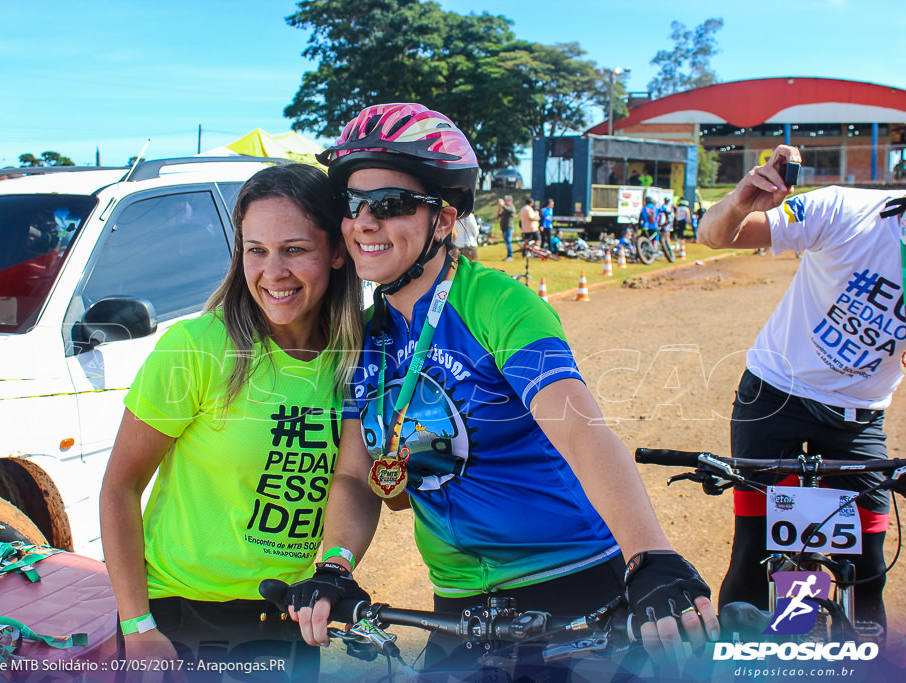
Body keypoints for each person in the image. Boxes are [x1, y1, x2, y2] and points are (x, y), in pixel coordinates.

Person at [283, 102, 718, 666]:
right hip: (459, 604)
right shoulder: (368, 337)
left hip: (573, 582)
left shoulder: (500, 305)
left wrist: (651, 555)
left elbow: (582, 433)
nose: (364, 222)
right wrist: (335, 566)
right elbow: (354, 475)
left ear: (442, 220)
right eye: (352, 204)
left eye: (389, 205)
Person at [99, 163, 362, 680]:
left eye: (294, 249)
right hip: (182, 618)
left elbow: (352, 481)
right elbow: (119, 487)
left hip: (289, 613)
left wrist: (335, 567)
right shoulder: (195, 348)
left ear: (335, 251)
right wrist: (137, 625)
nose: (273, 271)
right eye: (255, 250)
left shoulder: (354, 355)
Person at [697, 143, 904, 633]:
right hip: (773, 399)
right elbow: (714, 236)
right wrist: (739, 202)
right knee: (753, 548)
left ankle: (857, 662)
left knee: (869, 568)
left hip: (859, 419)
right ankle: (747, 657)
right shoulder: (847, 210)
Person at [496, 194, 515, 261]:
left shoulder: (511, 207)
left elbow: (508, 209)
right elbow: (498, 216)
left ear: (510, 201)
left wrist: (502, 205)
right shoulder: (505, 209)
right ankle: (509, 255)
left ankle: (510, 256)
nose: (505, 202)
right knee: (506, 242)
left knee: (508, 241)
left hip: (509, 228)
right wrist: (499, 207)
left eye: (506, 201)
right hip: (504, 228)